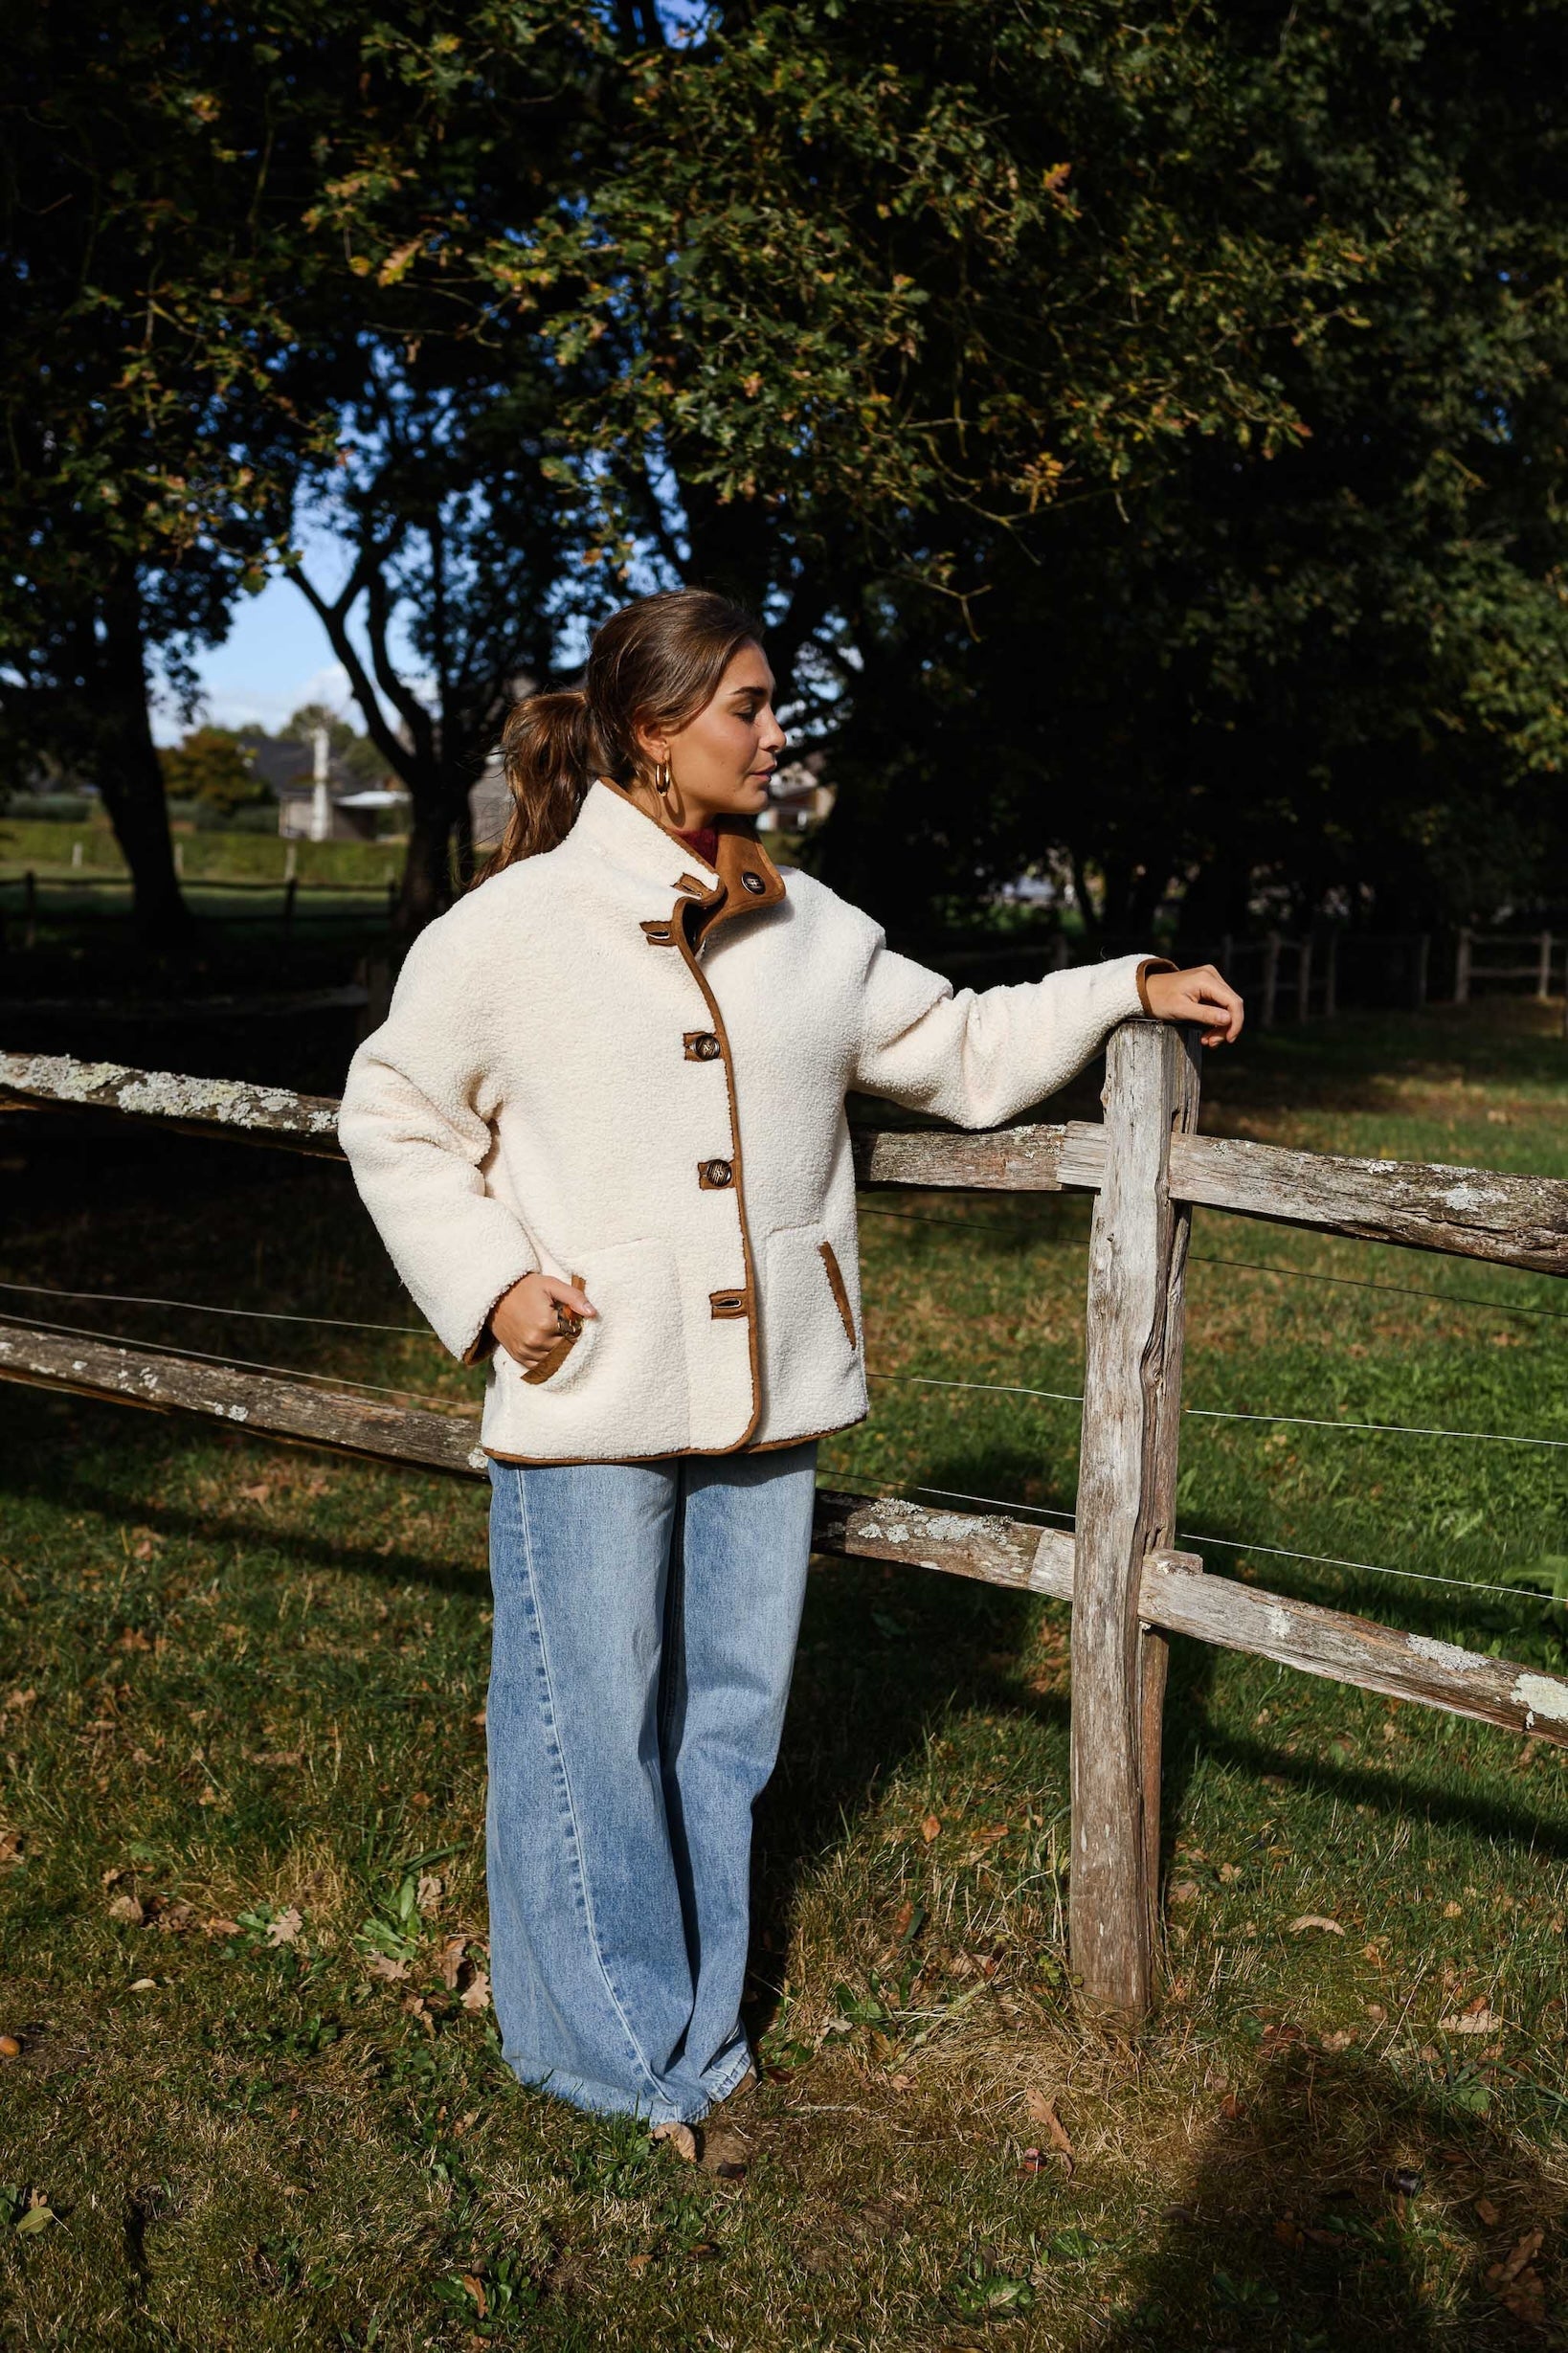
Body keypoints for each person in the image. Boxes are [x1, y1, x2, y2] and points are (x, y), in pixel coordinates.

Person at [337, 588, 1243, 2141]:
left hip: (775, 1388)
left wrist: (1121, 985)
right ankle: (608, 2048)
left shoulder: (807, 925)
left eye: (772, 703)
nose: (774, 733)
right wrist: (491, 1288)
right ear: (650, 731)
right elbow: (392, 1112)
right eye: (746, 707)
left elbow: (956, 1046)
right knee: (588, 1720)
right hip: (589, 1391)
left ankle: (692, 2017)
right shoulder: (507, 929)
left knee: (729, 1721)